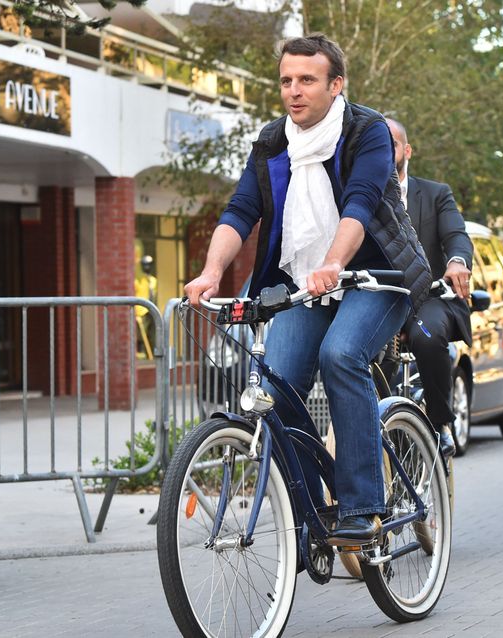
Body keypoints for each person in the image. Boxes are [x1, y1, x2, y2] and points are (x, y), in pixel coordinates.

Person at [184, 34, 431, 544]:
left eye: (307, 80)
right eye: (286, 81)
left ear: (335, 84)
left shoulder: (367, 132)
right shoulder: (274, 140)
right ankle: (310, 515)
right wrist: (211, 273)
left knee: (342, 355)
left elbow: (360, 203)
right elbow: (240, 211)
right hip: (305, 283)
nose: (294, 91)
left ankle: (363, 507)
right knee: (275, 393)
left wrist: (335, 262)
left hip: (375, 277)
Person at [386, 118, 473, 457]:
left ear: (406, 150)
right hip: (382, 297)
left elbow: (456, 236)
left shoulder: (436, 194)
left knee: (426, 336)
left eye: (391, 143)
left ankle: (440, 421)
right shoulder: (362, 194)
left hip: (430, 297)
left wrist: (457, 263)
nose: (384, 151)